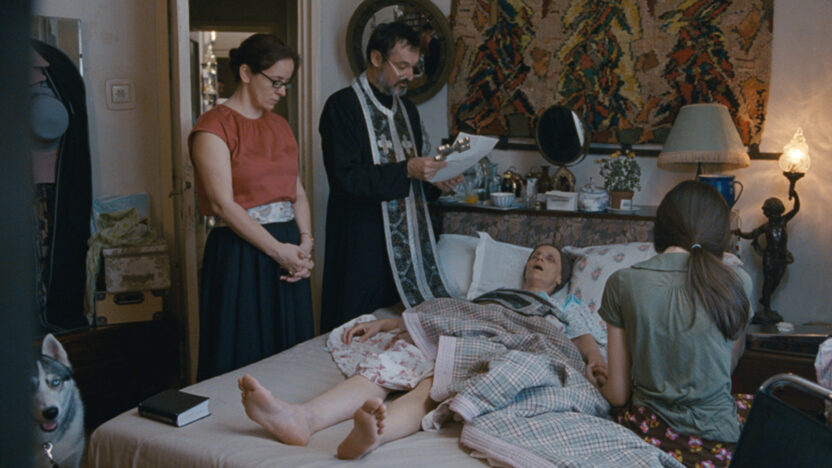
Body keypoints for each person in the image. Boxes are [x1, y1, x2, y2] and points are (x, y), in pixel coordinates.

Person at [239, 244, 606, 459]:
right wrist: (388, 324)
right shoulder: (489, 296)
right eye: (535, 255)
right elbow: (444, 316)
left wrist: (595, 360)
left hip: (501, 345)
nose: (539, 259)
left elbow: (583, 340)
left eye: (549, 258)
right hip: (460, 329)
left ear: (560, 278)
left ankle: (377, 433)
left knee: (438, 380)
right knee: (394, 361)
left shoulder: (564, 307)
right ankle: (303, 417)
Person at [595, 180, 753, 468]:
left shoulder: (622, 282)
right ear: (720, 233)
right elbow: (726, 366)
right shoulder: (738, 282)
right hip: (718, 445)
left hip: (650, 437)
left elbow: (617, 395)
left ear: (662, 227)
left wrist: (595, 380)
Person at [318, 21, 462, 333]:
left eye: (414, 67)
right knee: (352, 329)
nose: (409, 75)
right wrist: (408, 169)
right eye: (402, 66)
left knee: (399, 330)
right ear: (376, 58)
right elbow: (346, 179)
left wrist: (435, 181)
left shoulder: (408, 110)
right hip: (360, 242)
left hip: (405, 245)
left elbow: (413, 179)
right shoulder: (342, 106)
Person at [189, 34, 314, 381]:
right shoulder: (212, 127)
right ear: (246, 73)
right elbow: (222, 204)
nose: (282, 92)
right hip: (241, 251)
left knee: (290, 354)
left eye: (286, 84)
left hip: (288, 246)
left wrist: (305, 243)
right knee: (241, 350)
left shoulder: (280, 125)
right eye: (276, 82)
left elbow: (297, 191)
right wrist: (279, 251)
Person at [733, 183, 800, 325]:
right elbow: (752, 234)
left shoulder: (783, 221)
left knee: (777, 280)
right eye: (766, 212)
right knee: (768, 282)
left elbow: (796, 209)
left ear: (775, 211)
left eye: (768, 211)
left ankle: (765, 299)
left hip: (782, 258)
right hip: (769, 258)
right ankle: (767, 307)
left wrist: (794, 194)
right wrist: (739, 233)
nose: (766, 214)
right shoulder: (766, 226)